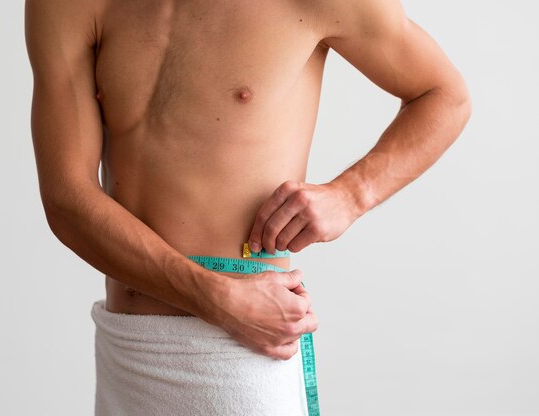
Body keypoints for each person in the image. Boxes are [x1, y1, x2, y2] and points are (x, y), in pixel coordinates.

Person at [25, 0, 471, 414]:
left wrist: (353, 194)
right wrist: (213, 296)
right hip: (126, 351)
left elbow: (444, 95)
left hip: (240, 358)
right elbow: (66, 197)